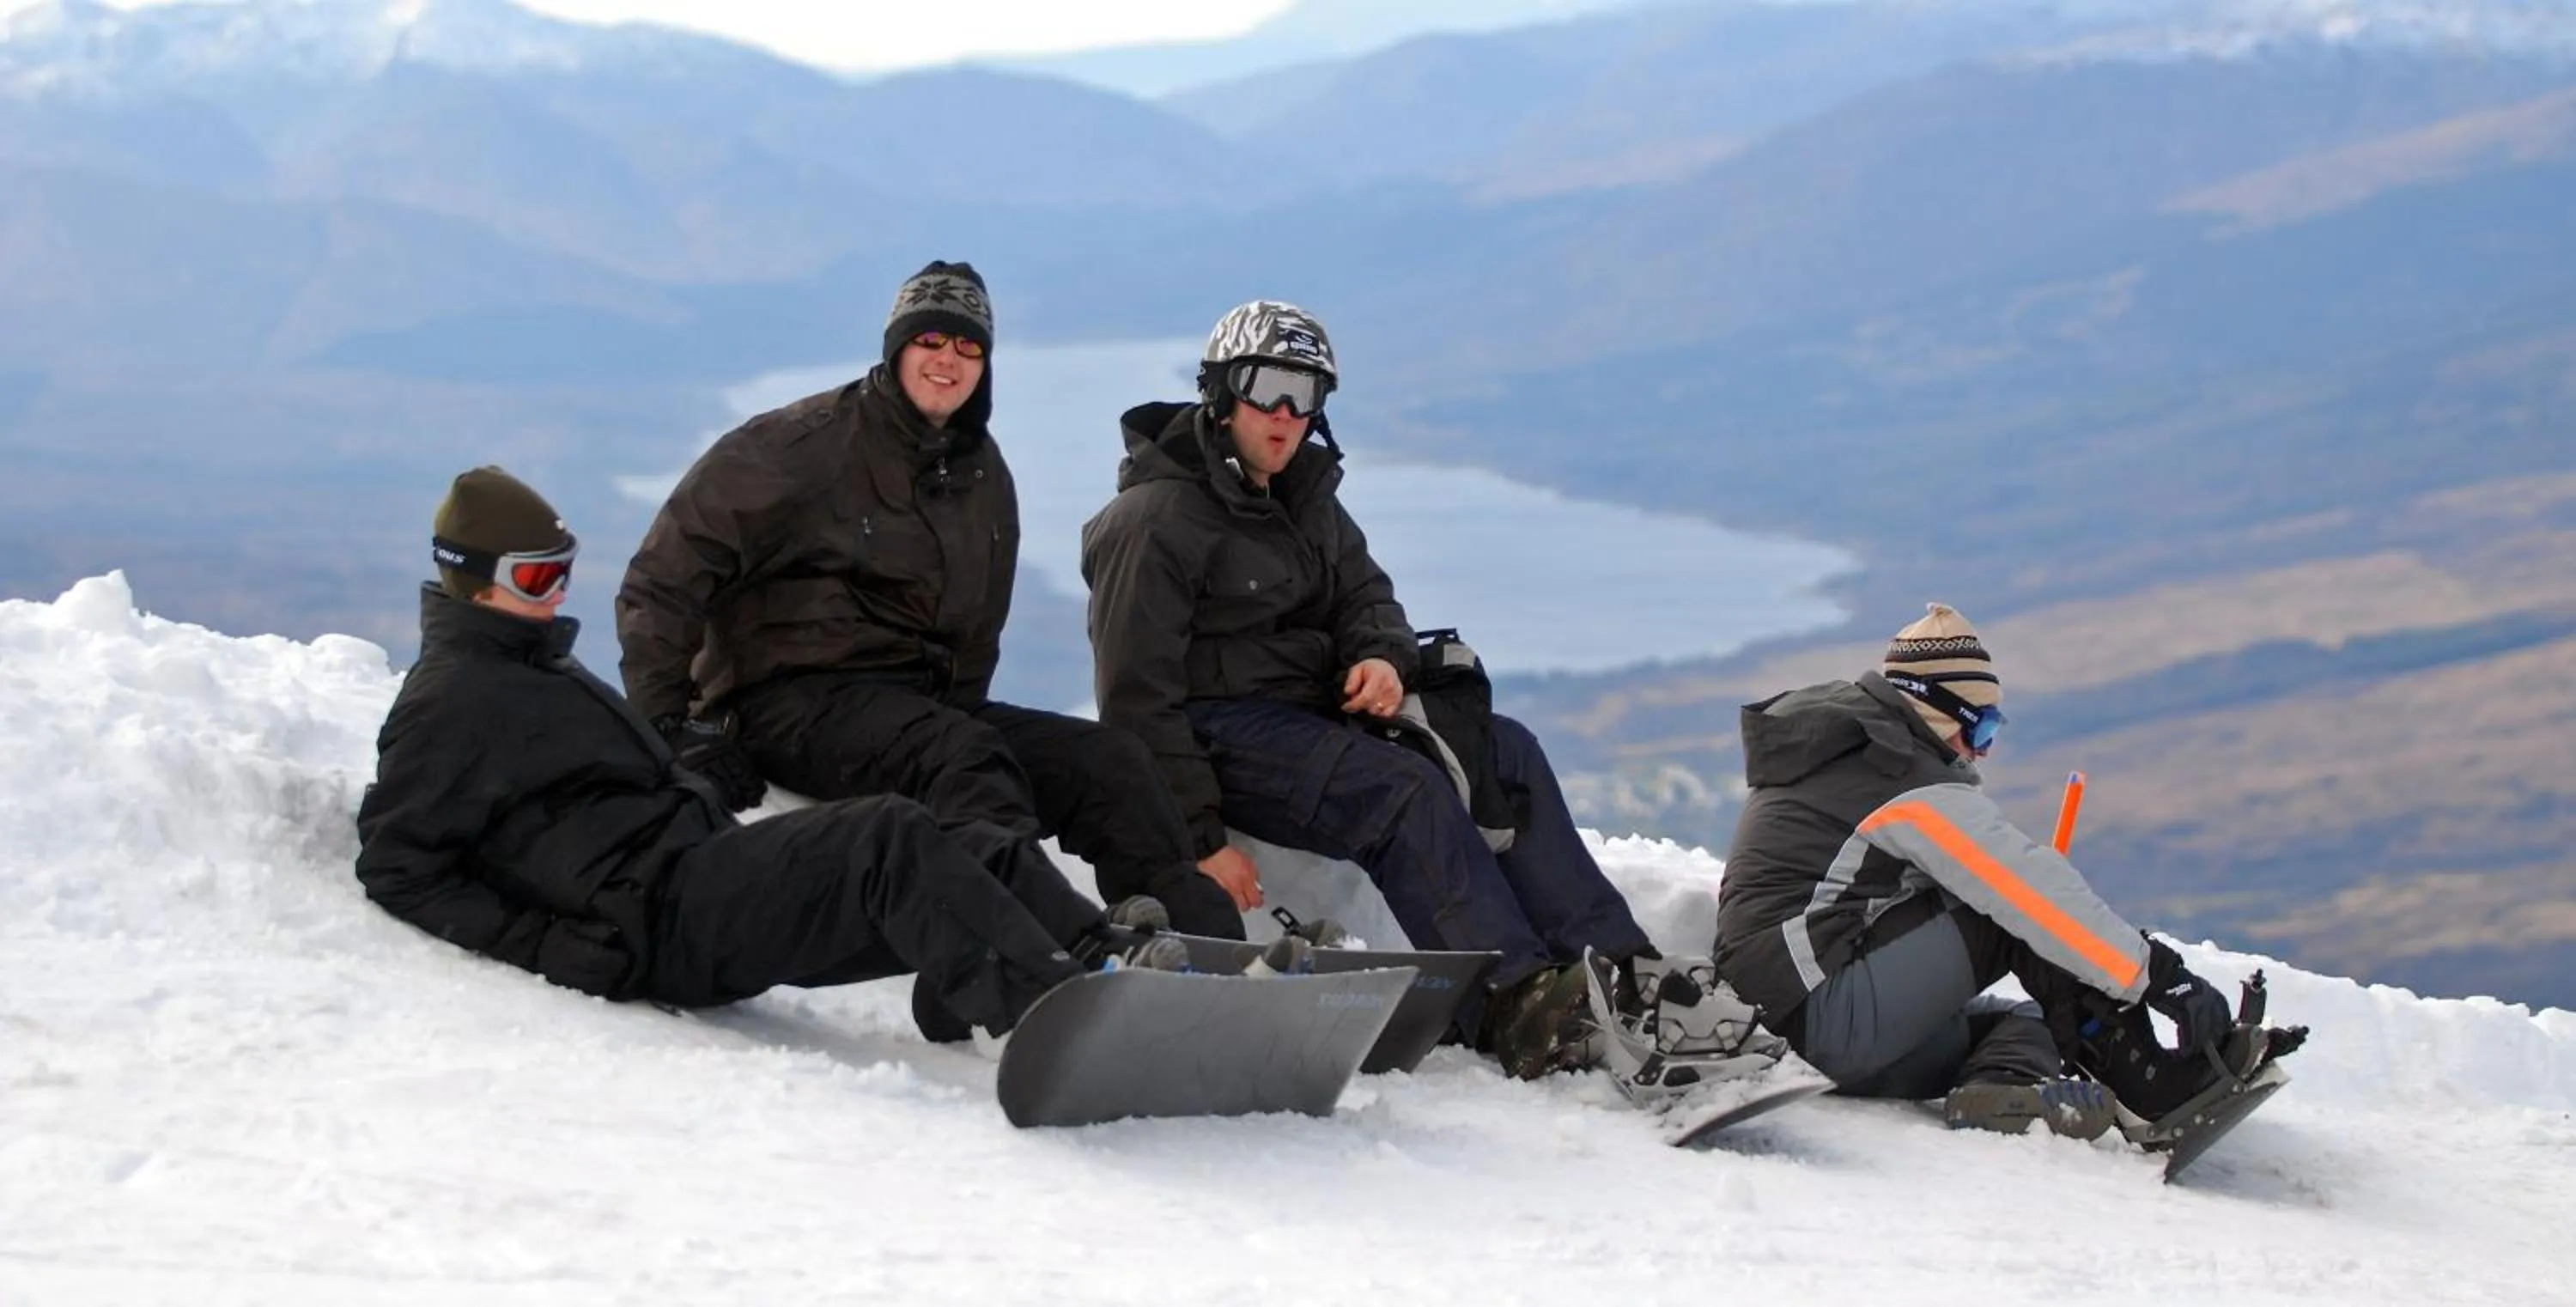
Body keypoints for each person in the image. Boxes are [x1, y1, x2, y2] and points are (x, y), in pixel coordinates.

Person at [356, 467, 1182, 1039]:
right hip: (656, 919)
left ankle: (1100, 956)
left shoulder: (526, 663)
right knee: (885, 838)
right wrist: (553, 949)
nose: (558, 594)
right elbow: (399, 866)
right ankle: (1061, 1013)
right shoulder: (449, 702)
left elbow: (582, 795)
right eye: (537, 580)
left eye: (562, 572)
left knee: (965, 841)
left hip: (694, 871)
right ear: (474, 578)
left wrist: (687, 770)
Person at [1078, 300, 1656, 1079]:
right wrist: (1199, 840)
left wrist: (1383, 659)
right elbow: (1134, 701)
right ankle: (1515, 1002)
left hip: (1310, 717)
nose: (1287, 415)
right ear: (1220, 391)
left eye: (1306, 394)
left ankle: (1621, 970)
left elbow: (1368, 600)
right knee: (1401, 791)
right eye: (1268, 387)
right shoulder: (1152, 520)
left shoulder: (1304, 496)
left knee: (1502, 749)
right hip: (1220, 734)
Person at [615, 260, 1247, 947]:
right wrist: (672, 726)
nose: (947, 360)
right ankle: (1035, 951)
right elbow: (662, 578)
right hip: (787, 701)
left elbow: (975, 637)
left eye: (967, 346)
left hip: (915, 710)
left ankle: (1208, 952)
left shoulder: (981, 472)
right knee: (965, 757)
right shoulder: (798, 446)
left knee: (1106, 761)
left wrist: (960, 719)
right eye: (930, 341)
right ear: (897, 347)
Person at [1714, 602, 2298, 1138]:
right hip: (1815, 1012)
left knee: (2022, 1020)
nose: (1985, 750)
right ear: (1937, 710)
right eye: (1982, 728)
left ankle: (2001, 1091)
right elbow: (2024, 890)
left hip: (1804, 1027)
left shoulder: (1860, 755)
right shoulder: (1896, 773)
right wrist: (2159, 975)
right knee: (2012, 911)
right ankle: (2155, 1093)